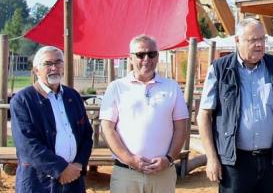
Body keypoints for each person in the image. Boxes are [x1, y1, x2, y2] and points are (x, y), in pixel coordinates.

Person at [198, 18, 273, 193]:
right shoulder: (220, 69)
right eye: (253, 40)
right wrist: (212, 157)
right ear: (237, 40)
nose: (259, 45)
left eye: (262, 39)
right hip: (235, 163)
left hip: (271, 161)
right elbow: (204, 115)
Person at [100, 35, 189, 192]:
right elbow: (107, 129)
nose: (146, 58)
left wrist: (168, 159)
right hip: (127, 173)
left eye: (152, 54)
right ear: (131, 58)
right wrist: (130, 159)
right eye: (140, 54)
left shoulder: (172, 87)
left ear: (157, 56)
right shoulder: (116, 88)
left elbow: (181, 127)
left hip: (163, 173)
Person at [10, 46, 94, 192]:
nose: (54, 68)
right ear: (36, 70)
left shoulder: (73, 96)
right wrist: (61, 169)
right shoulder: (22, 100)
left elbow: (86, 134)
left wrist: (79, 164)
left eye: (58, 62)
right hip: (38, 183)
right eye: (48, 64)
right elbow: (27, 145)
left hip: (73, 180)